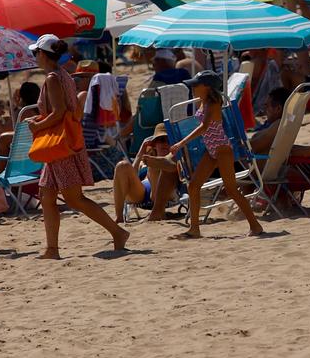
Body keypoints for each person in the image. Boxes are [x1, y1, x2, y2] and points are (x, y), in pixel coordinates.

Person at [28, 35, 128, 258]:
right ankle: (52, 248)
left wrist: (37, 125)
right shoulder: (63, 75)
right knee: (47, 195)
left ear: (43, 54)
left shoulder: (53, 78)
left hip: (60, 144)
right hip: (60, 144)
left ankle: (118, 232)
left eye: (36, 53)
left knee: (74, 198)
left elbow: (59, 112)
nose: (35, 57)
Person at [179, 72, 266, 238]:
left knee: (232, 190)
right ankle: (194, 229)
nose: (192, 88)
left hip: (222, 149)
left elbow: (204, 127)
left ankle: (255, 226)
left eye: (196, 85)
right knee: (193, 185)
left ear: (207, 87)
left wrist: (181, 143)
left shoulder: (213, 103)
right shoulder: (203, 102)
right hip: (211, 150)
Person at [112, 123, 180, 223]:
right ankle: (119, 217)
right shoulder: (145, 161)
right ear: (155, 144)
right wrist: (140, 153)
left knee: (155, 165)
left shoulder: (175, 160)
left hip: (165, 194)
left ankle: (157, 208)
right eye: (161, 140)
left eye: (168, 140)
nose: (165, 144)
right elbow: (132, 175)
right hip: (141, 193)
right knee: (122, 166)